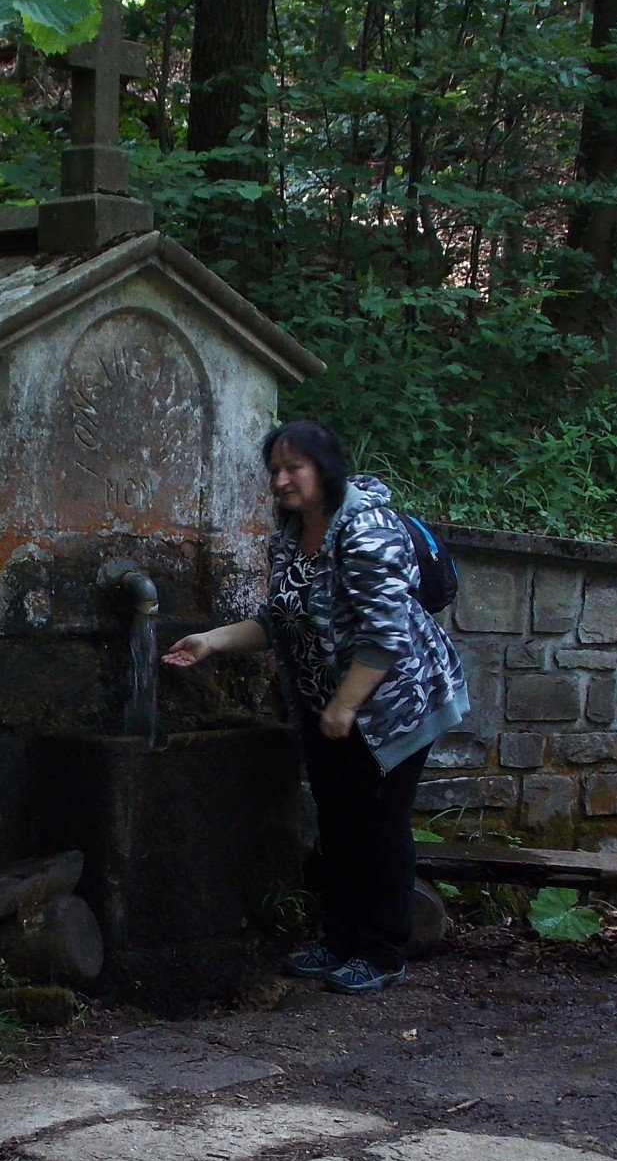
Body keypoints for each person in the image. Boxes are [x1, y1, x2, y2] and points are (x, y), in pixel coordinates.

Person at [163, 420, 467, 994]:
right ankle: (338, 941)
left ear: (324, 470)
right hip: (328, 703)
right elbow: (282, 617)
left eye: (292, 469)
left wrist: (344, 708)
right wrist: (212, 641)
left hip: (393, 703)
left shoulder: (365, 530)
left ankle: (382, 951)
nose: (280, 480)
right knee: (337, 818)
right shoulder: (291, 530)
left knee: (378, 822)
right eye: (274, 469)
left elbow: (386, 636)